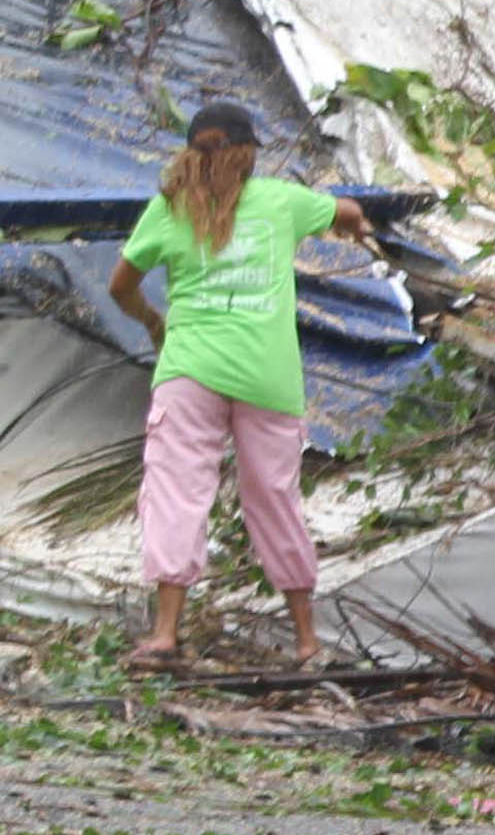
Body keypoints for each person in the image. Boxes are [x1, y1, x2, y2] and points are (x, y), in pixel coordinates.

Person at [106, 99, 331, 674]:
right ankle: (307, 644)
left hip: (190, 371)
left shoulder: (170, 208)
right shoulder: (284, 202)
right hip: (268, 376)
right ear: (249, 153)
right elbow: (344, 211)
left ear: (190, 154)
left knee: (177, 491)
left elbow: (119, 285)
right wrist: (358, 221)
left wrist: (152, 321)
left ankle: (164, 636)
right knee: (274, 499)